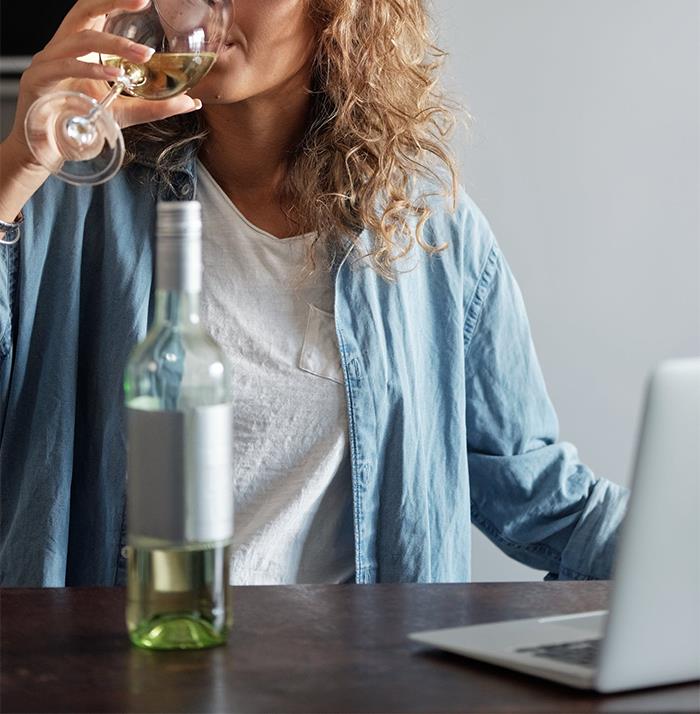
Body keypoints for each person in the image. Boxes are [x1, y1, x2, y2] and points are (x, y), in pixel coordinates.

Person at [0, 0, 628, 587]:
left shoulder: (428, 229)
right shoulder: (70, 194)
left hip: (354, 683)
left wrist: (673, 546)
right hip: (118, 673)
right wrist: (15, 170)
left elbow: (540, 496)